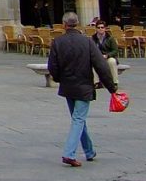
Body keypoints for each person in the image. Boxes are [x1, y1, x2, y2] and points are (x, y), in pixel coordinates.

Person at [48, 11, 117, 166]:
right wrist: (112, 88)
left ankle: (89, 151)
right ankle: (69, 153)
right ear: (77, 24)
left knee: (78, 119)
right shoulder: (87, 42)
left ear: (64, 25)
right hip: (84, 86)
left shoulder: (58, 42)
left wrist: (60, 79)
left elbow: (52, 66)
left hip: (67, 87)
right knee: (78, 119)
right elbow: (101, 66)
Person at [91, 20, 120, 88]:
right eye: (98, 27)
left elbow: (115, 50)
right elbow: (91, 50)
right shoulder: (93, 38)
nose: (100, 29)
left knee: (112, 61)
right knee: (92, 63)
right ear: (96, 29)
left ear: (105, 28)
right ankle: (96, 83)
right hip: (97, 57)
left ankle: (114, 82)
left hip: (108, 57)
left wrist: (107, 55)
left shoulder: (110, 38)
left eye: (102, 27)